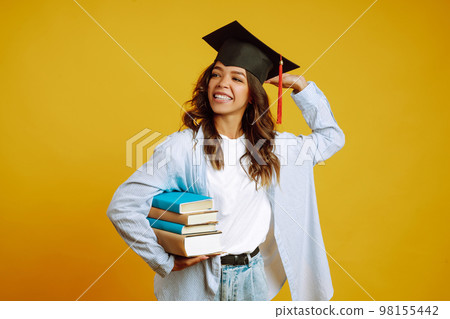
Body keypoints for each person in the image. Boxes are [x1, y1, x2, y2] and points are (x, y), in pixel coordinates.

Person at [106, 21, 345, 301]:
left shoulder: (273, 148)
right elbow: (123, 206)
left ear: (253, 95)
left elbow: (331, 138)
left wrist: (303, 89)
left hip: (253, 279)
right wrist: (163, 260)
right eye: (217, 74)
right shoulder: (183, 147)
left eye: (237, 78)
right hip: (199, 282)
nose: (222, 84)